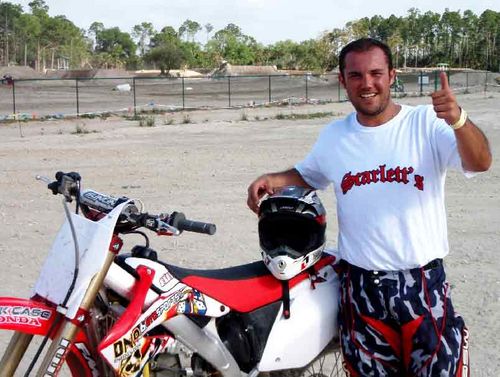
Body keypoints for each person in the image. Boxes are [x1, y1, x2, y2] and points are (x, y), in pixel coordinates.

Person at [247, 38, 491, 376]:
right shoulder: (335, 136)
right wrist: (273, 178)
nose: (367, 83)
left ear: (392, 75)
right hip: (360, 289)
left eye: (376, 73)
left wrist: (459, 119)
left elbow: (480, 162)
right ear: (342, 80)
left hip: (422, 283)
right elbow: (308, 174)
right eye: (356, 75)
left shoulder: (425, 124)